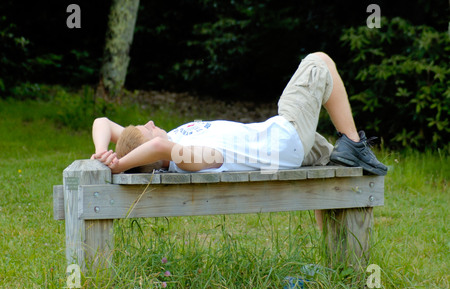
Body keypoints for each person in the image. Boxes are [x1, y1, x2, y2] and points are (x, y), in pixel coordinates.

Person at [91, 52, 387, 178]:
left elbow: (102, 122)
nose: (151, 123)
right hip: (285, 137)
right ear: (149, 151)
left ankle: (331, 256)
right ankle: (355, 144)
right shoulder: (188, 159)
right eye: (148, 129)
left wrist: (103, 152)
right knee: (318, 62)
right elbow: (156, 147)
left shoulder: (171, 145)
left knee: (336, 164)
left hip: (282, 142)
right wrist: (118, 168)